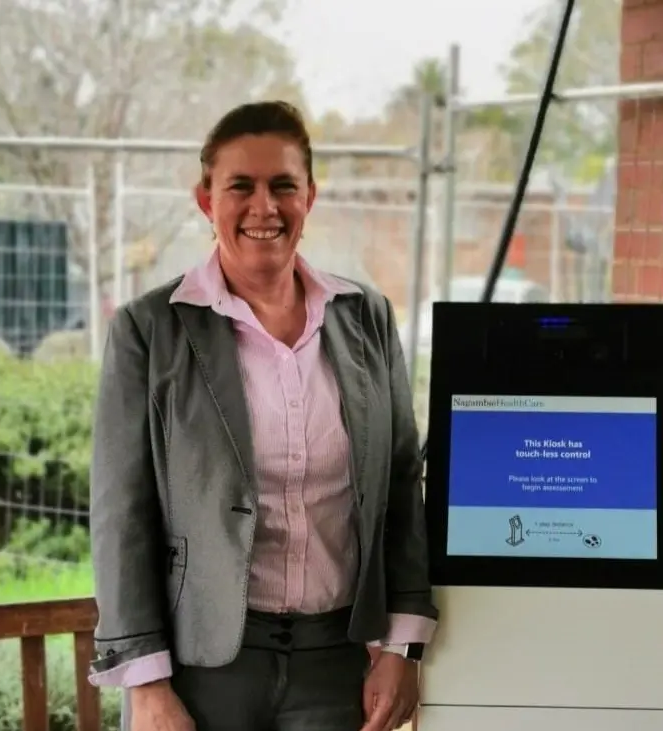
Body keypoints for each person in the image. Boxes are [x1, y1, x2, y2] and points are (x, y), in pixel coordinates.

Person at [86, 99, 438, 731]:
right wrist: (147, 686)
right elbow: (122, 515)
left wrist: (403, 647)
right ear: (205, 199)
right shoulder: (149, 329)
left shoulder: (368, 318)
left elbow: (401, 488)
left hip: (336, 662)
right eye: (239, 186)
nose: (263, 207)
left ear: (310, 195)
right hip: (205, 666)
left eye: (283, 186)